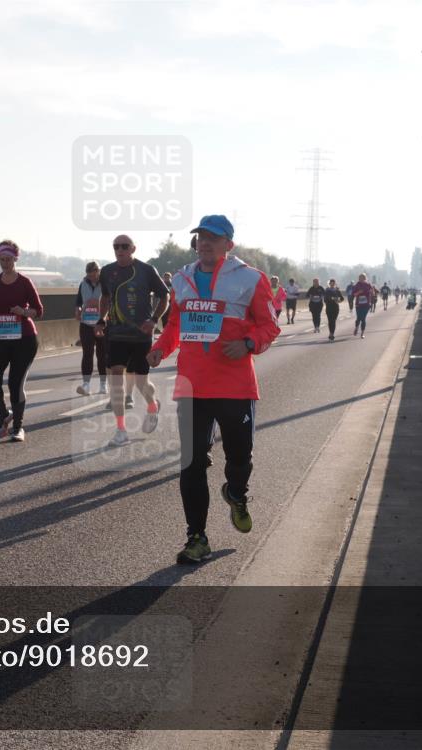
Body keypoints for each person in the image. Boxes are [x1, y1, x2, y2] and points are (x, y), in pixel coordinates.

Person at [147, 214, 281, 565]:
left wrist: (249, 343)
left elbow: (270, 326)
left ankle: (236, 493)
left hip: (235, 386)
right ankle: (197, 537)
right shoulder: (182, 278)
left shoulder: (251, 279)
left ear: (228, 244)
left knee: (239, 459)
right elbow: (175, 324)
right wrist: (161, 347)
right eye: (200, 237)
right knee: (191, 463)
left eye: (213, 237)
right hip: (192, 385)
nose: (204, 243)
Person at [94, 235, 169, 447]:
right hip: (116, 335)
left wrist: (154, 319)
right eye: (116, 246)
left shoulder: (147, 270)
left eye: (124, 246)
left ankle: (152, 405)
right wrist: (101, 320)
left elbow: (165, 296)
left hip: (141, 335)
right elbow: (106, 298)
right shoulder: (107, 271)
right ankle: (121, 431)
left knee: (140, 382)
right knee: (116, 377)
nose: (120, 250)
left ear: (133, 248)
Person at [0, 240, 43, 442]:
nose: (5, 263)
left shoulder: (24, 282)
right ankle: (4, 415)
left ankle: (18, 427)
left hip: (24, 339)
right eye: (2, 259)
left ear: (15, 259)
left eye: (9, 259)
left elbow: (39, 311)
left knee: (15, 384)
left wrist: (23, 312)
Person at [75, 261, 107, 396]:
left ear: (99, 272)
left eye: (94, 275)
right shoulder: (83, 284)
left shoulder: (105, 284)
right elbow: (78, 301)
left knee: (102, 355)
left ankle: (103, 385)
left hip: (102, 323)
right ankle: (86, 385)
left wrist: (99, 305)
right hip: (86, 323)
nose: (92, 278)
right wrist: (77, 309)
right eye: (89, 276)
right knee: (87, 354)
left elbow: (110, 302)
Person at [351, 272, 375, 339]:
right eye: (360, 278)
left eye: (362, 278)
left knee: (363, 319)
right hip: (358, 305)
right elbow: (354, 295)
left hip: (366, 305)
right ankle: (356, 327)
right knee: (358, 318)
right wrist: (359, 292)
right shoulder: (357, 285)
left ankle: (362, 333)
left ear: (365, 278)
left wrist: (372, 292)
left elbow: (373, 293)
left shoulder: (368, 285)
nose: (361, 279)